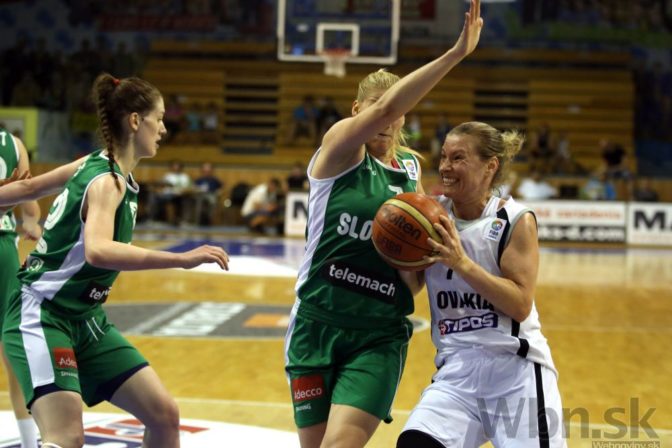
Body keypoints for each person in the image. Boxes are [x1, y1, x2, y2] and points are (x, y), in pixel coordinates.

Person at [284, 2, 483, 447]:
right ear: (358, 109)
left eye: (398, 111)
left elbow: (411, 268)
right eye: (378, 109)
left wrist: (417, 264)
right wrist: (454, 54)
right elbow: (382, 110)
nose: (389, 117)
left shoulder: (411, 170)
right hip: (316, 322)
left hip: (377, 332)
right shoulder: (339, 150)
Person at [0, 73, 229, 448]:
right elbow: (99, 250)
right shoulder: (106, 181)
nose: (164, 129)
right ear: (135, 121)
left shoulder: (93, 164)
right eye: (159, 118)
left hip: (86, 319)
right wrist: (180, 258)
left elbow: (29, 187)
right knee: (65, 437)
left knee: (164, 416)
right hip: (42, 313)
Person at [397, 121, 565, 448]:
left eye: (458, 158)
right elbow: (409, 289)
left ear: (490, 166)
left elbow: (519, 304)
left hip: (516, 374)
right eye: (443, 157)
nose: (445, 166)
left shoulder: (515, 220)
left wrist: (462, 264)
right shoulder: (430, 219)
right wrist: (400, 253)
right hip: (456, 372)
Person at [1, 129, 42, 448]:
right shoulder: (13, 144)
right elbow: (30, 207)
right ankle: (30, 442)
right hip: (4, 251)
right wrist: (30, 224)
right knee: (14, 351)